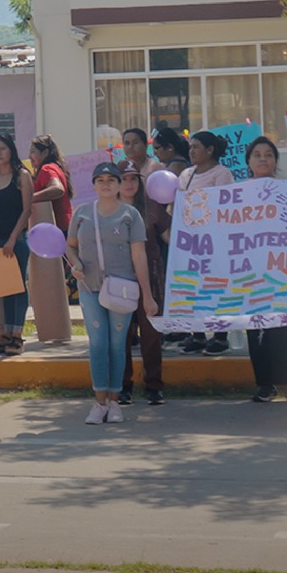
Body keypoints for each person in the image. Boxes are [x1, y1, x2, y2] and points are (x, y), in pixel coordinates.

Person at [65, 162, 156, 424]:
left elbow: (139, 255)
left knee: (118, 345)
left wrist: (147, 296)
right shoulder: (82, 213)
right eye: (100, 180)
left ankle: (115, 402)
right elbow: (70, 247)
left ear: (118, 185)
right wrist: (75, 264)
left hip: (122, 289)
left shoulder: (130, 215)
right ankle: (99, 402)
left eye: (111, 180)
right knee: (97, 344)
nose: (106, 184)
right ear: (93, 184)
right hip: (89, 288)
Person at [240, 137, 287, 402]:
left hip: (285, 270)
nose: (263, 159)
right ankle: (265, 384)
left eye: (268, 154)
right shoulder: (235, 194)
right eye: (257, 154)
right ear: (249, 161)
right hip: (251, 272)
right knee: (256, 330)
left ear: (276, 161)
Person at [176, 131, 235, 355]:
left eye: (196, 147)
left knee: (217, 287)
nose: (191, 151)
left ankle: (220, 336)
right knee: (193, 287)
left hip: (216, 241)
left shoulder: (222, 174)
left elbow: (224, 206)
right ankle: (197, 334)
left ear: (210, 150)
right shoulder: (186, 175)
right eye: (190, 147)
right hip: (192, 242)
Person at [0, 134, 34, 356]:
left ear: (11, 149)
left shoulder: (22, 176)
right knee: (2, 288)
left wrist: (13, 239)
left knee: (18, 288)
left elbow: (26, 210)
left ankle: (17, 335)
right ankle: (4, 335)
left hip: (16, 240)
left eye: (3, 149)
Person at [115, 164, 165, 406]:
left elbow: (173, 237)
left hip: (151, 279)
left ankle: (154, 385)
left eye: (133, 178)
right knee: (122, 334)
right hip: (119, 279)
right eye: (123, 179)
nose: (129, 184)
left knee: (151, 334)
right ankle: (124, 386)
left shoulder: (151, 207)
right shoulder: (108, 210)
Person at [24, 135, 75, 345]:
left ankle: (55, 326)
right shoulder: (55, 166)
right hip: (60, 231)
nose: (31, 158)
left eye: (34, 153)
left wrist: (30, 199)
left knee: (52, 284)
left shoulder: (47, 169)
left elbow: (57, 189)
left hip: (57, 231)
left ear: (45, 153)